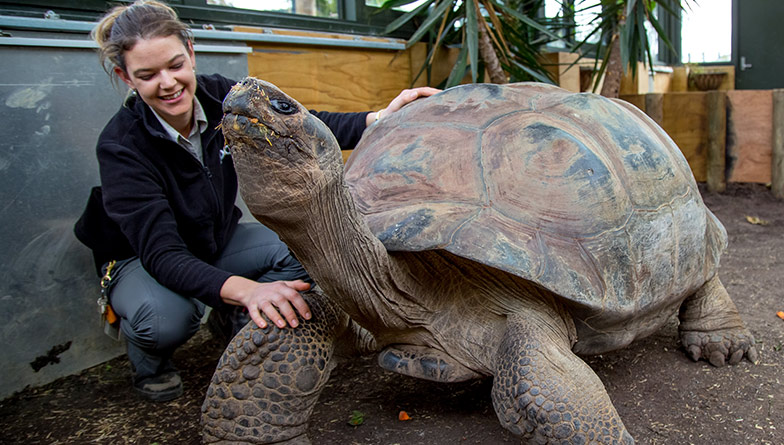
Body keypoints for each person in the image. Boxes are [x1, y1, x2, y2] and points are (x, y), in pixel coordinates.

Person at [74, 0, 439, 402]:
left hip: (213, 239)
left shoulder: (221, 97)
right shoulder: (121, 146)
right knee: (168, 320)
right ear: (126, 77)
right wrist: (248, 290)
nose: (167, 83)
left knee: (309, 252)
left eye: (175, 65)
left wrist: (378, 118)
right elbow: (162, 254)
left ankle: (231, 316)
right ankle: (151, 362)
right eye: (147, 74)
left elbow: (296, 125)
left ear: (191, 52)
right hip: (141, 258)